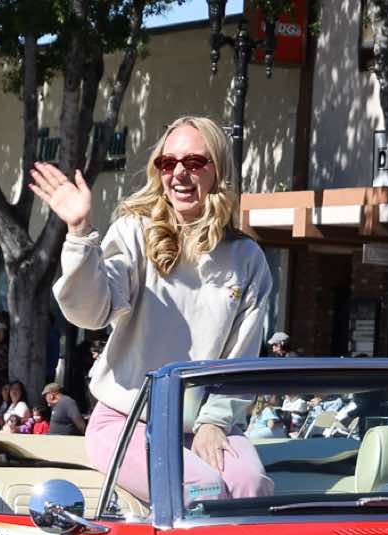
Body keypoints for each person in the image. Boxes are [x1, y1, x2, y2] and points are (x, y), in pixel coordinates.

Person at [33, 113, 275, 505]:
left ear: (218, 170)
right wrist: (78, 233)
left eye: (194, 162)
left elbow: (242, 356)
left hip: (206, 423)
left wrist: (214, 422)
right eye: (167, 162)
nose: (179, 173)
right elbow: (90, 313)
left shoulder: (247, 257)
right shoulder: (134, 231)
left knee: (253, 488)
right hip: (127, 421)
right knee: (202, 491)